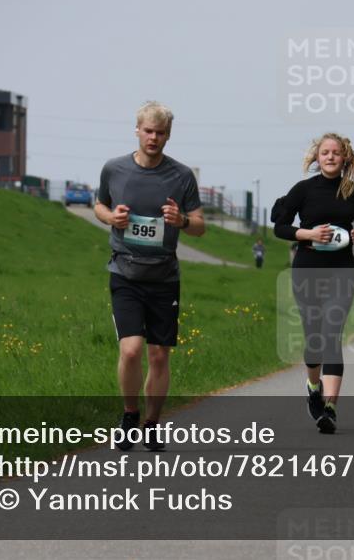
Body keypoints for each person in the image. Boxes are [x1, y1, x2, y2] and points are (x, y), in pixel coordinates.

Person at [94, 101, 206, 451]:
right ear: (137, 130)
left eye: (160, 133)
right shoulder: (114, 169)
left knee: (159, 356)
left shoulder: (182, 176)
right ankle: (130, 415)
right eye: (148, 131)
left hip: (163, 277)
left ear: (168, 136)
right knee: (130, 351)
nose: (153, 138)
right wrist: (111, 218)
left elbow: (200, 226)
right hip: (124, 272)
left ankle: (152, 423)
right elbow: (98, 205)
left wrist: (182, 221)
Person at [274, 133, 354, 434]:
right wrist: (309, 235)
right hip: (308, 269)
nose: (330, 157)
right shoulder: (303, 190)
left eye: (336, 153)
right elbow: (280, 226)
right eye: (325, 152)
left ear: (345, 158)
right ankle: (313, 386)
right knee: (314, 339)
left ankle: (329, 408)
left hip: (342, 270)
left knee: (332, 335)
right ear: (317, 158)